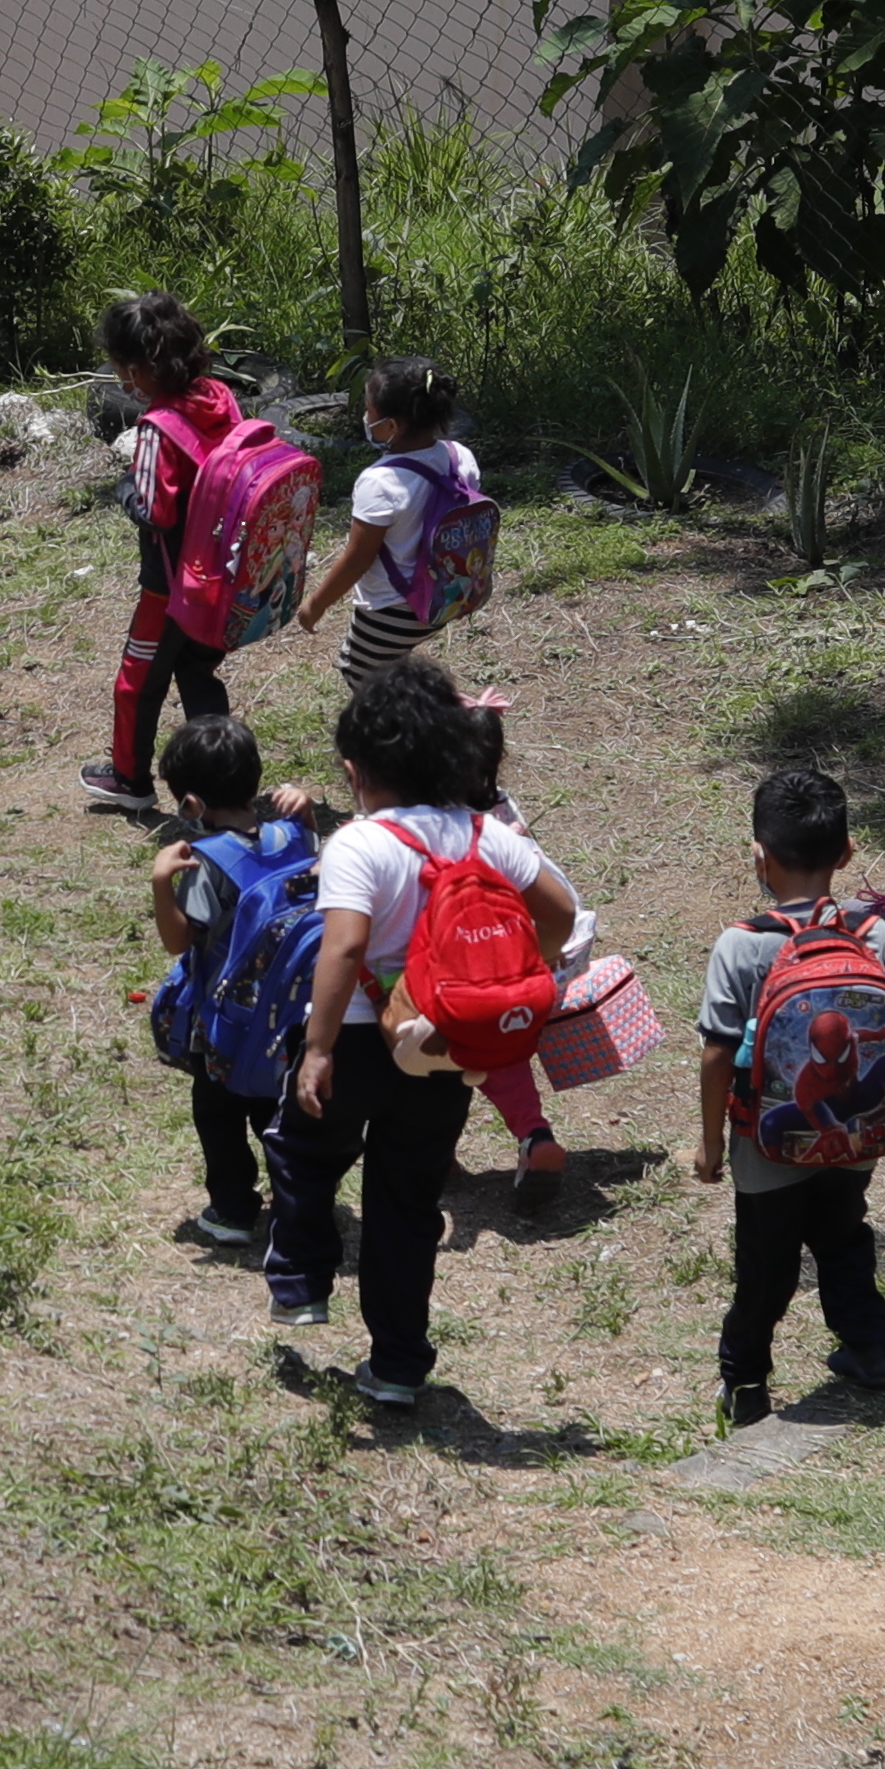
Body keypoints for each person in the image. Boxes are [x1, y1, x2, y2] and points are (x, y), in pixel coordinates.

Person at [266, 655, 576, 1408]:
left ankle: (304, 1281)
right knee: (406, 1203)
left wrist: (316, 1049)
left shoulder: (360, 844)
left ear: (354, 769)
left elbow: (341, 948)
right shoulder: (482, 836)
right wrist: (503, 971)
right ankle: (399, 1365)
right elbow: (561, 912)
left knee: (303, 1150)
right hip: (445, 1051)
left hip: (362, 1040)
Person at [695, 768, 885, 1428]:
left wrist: (712, 1140)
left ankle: (745, 1383)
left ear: (758, 856)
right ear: (847, 852)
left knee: (764, 1264)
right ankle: (867, 1347)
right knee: (844, 1236)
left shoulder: (741, 945)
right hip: (858, 1133)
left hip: (768, 1142)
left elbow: (718, 1051)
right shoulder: (875, 934)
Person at [146, 713, 315, 1251]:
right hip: (291, 1017)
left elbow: (179, 941)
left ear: (191, 804)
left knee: (218, 1117)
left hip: (225, 1026)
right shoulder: (295, 834)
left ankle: (234, 1209)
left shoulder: (209, 862)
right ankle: (296, 1207)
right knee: (277, 1111)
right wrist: (306, 806)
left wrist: (160, 882)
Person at [79, 291, 249, 810]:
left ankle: (130, 780)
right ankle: (225, 779)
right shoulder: (220, 396)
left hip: (169, 582)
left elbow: (155, 511)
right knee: (198, 672)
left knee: (137, 679)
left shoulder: (156, 428)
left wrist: (125, 488)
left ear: (134, 370)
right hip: (221, 570)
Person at [445, 694, 587, 1214]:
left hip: (459, 976)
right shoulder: (503, 811)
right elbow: (556, 904)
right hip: (519, 974)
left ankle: (436, 1154)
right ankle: (533, 1134)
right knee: (504, 1058)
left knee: (443, 1068)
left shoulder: (442, 829)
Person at [293, 353, 478, 689]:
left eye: (369, 411)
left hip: (393, 609)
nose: (366, 417)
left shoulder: (380, 483)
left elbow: (356, 561)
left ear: (391, 426)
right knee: (394, 668)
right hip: (449, 592)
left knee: (362, 675)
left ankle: (402, 736)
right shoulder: (459, 456)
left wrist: (314, 605)